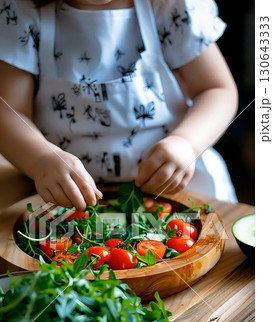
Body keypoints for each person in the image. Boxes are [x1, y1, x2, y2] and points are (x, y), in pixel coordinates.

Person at [0, 0, 238, 211]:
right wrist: (41, 159)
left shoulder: (169, 4)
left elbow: (216, 89)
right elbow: (9, 111)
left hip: (178, 188)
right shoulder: (21, 9)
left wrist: (187, 143)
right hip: (64, 197)